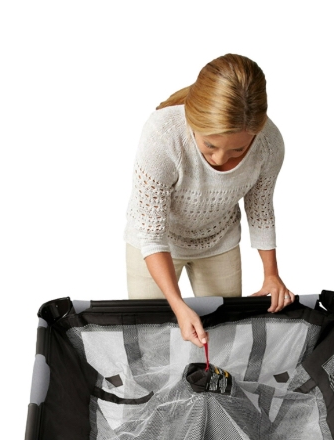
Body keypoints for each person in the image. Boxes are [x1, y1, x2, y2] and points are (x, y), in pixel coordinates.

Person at [124, 53, 294, 348]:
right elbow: (152, 234)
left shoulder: (269, 143)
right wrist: (178, 304)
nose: (220, 159)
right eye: (210, 145)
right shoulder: (162, 136)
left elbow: (260, 208)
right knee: (152, 339)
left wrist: (272, 274)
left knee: (224, 336)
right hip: (156, 243)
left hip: (219, 241)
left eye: (238, 150)